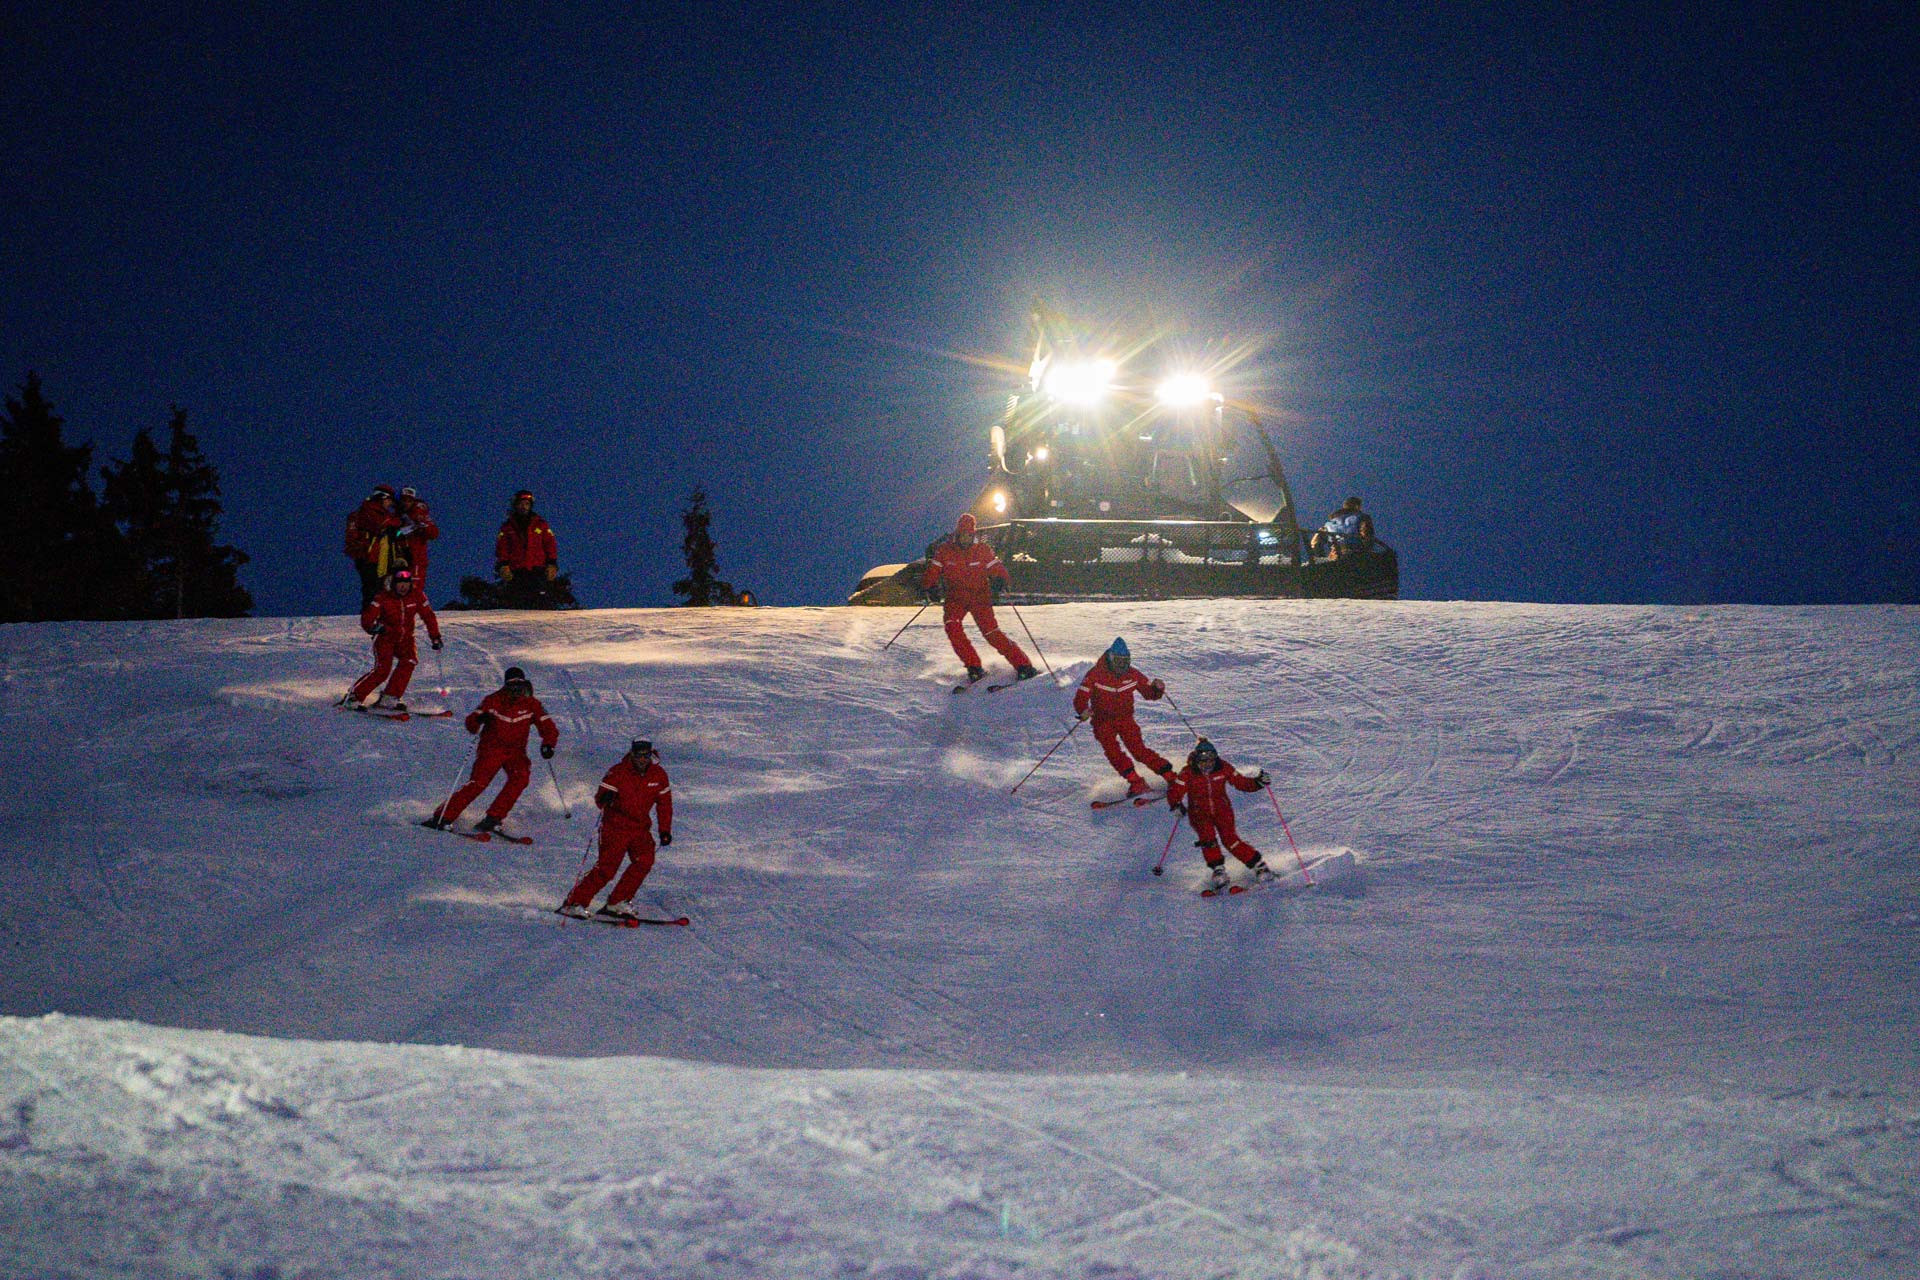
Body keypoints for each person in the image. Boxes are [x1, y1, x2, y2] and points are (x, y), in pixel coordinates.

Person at [424, 666, 558, 835]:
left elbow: (548, 726)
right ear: (505, 685)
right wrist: (479, 719)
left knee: (520, 777)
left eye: (519, 683)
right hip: (492, 748)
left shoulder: (532, 704)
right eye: (511, 684)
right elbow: (471, 723)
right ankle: (443, 816)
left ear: (524, 684)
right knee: (478, 783)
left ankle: (493, 817)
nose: (515, 688)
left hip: (516, 751)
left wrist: (548, 744)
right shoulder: (493, 700)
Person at [558, 739, 674, 920]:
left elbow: (664, 804)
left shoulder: (658, 775)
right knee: (607, 868)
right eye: (638, 756)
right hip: (615, 827)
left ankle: (617, 901)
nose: (642, 760)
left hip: (640, 828)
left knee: (644, 861)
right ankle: (574, 903)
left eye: (645, 756)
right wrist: (607, 798)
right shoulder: (618, 772)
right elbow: (600, 799)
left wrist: (664, 830)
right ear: (632, 754)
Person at [920, 512, 1038, 685]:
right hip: (956, 597)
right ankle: (973, 667)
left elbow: (996, 567)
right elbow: (933, 571)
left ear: (973, 534)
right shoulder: (945, 551)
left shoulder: (982, 550)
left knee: (991, 633)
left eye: (969, 535)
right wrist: (929, 586)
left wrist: (1000, 579)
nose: (965, 538)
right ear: (957, 534)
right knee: (952, 627)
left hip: (979, 597)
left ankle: (1023, 666)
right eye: (962, 535)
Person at [1166, 737, 1275, 892]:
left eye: (1210, 761)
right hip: (1199, 813)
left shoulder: (1223, 767)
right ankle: (1218, 871)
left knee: (1231, 840)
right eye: (1203, 761)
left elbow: (1241, 782)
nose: (1207, 765)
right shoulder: (1188, 773)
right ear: (1196, 759)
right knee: (1208, 840)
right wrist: (1176, 805)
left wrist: (1257, 783)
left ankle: (1260, 867)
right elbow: (1174, 791)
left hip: (1222, 810)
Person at [1073, 637, 1175, 796]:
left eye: (1125, 660)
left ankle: (1170, 776)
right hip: (1102, 722)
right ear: (1110, 658)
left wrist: (1157, 689)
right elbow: (1080, 697)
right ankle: (1136, 782)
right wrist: (1083, 711)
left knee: (1139, 750)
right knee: (1113, 752)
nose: (1122, 664)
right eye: (1119, 660)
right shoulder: (1095, 674)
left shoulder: (1133, 674)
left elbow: (1149, 694)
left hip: (1126, 719)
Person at [342, 568, 441, 711]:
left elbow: (428, 616)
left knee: (410, 661)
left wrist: (435, 637)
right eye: (400, 584)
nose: (403, 587)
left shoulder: (417, 595)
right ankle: (354, 696)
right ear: (393, 584)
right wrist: (372, 627)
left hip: (405, 639)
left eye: (406, 584)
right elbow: (368, 617)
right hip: (385, 638)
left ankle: (390, 696)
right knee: (383, 670)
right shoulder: (383, 597)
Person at [344, 484, 404, 608]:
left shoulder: (376, 511)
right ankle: (370, 617)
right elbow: (382, 523)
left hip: (377, 557)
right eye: (389, 500)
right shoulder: (370, 510)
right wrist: (397, 522)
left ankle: (377, 616)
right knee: (372, 587)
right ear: (382, 497)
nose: (390, 504)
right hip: (369, 556)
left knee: (378, 587)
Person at [495, 489, 559, 605]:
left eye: (526, 504)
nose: (524, 507)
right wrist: (503, 565)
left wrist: (552, 564)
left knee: (541, 604)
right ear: (515, 505)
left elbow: (550, 544)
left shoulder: (540, 524)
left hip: (538, 570)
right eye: (521, 504)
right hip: (516, 572)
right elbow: (502, 548)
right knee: (518, 605)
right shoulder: (508, 527)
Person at [393, 486, 440, 594]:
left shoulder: (420, 514)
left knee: (415, 589)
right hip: (398, 559)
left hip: (416, 559)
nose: (406, 503)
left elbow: (434, 532)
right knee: (396, 589)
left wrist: (422, 527)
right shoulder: (395, 515)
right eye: (404, 500)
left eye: (409, 500)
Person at [1310, 496, 1375, 561]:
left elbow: (1315, 542)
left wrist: (1322, 558)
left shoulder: (1329, 523)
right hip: (1356, 556)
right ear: (1357, 507)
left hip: (1335, 556)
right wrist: (1367, 555)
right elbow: (1367, 536)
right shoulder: (1362, 517)